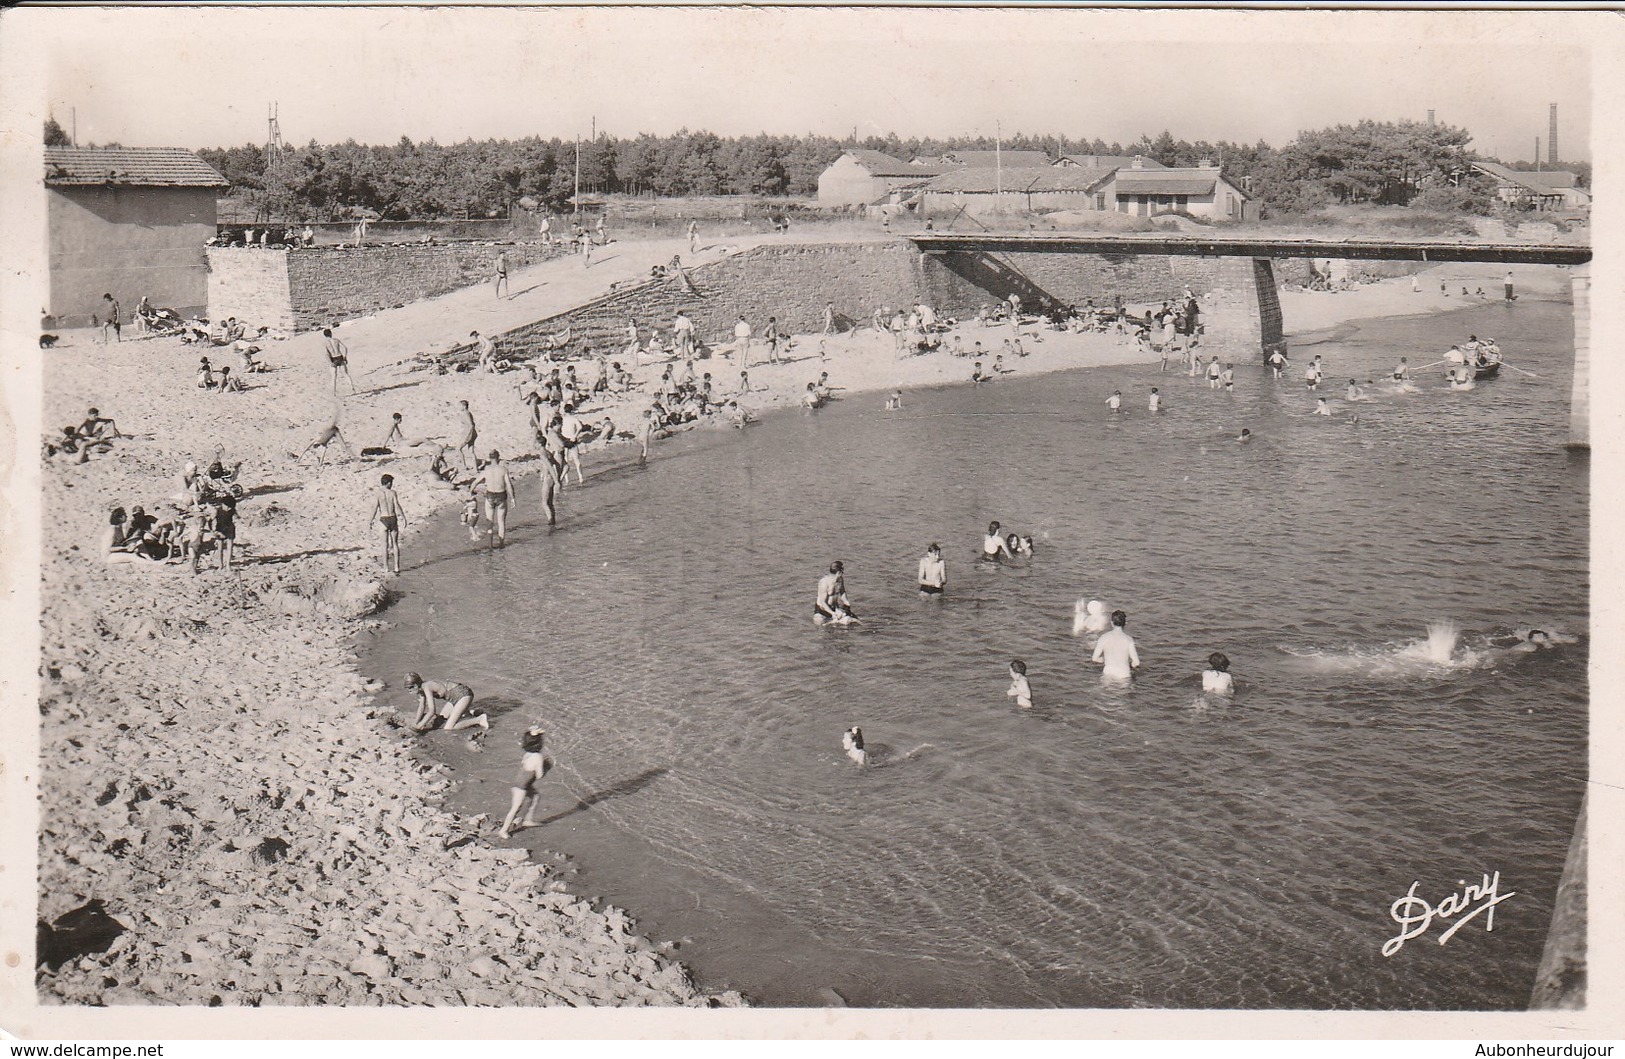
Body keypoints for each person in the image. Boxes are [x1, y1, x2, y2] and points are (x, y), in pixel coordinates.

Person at [499, 727, 553, 839]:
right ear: (539, 744)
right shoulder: (538, 757)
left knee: (535, 797)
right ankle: (503, 830)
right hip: (522, 787)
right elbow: (539, 775)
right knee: (516, 808)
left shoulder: (528, 753)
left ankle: (528, 820)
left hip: (520, 782)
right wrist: (547, 766)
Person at [405, 673, 488, 733]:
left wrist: (421, 725)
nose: (409, 691)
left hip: (463, 695)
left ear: (415, 685)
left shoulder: (426, 686)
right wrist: (417, 722)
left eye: (409, 689)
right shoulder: (421, 690)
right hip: (454, 698)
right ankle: (469, 713)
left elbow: (431, 710)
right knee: (442, 717)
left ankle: (479, 719)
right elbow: (422, 707)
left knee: (448, 728)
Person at [469, 449, 515, 546]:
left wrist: (471, 494)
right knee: (501, 522)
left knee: (489, 521)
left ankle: (490, 545)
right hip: (501, 495)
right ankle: (501, 544)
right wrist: (513, 498)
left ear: (490, 459)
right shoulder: (503, 470)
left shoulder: (487, 470)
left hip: (490, 495)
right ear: (498, 458)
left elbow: (475, 482)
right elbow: (509, 485)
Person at [1091, 610, 1141, 682]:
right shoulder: (1128, 640)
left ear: (1111, 623)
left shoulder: (1104, 637)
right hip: (1123, 674)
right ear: (1125, 624)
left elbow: (1094, 658)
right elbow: (1136, 662)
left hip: (1108, 672)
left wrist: (1103, 659)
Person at [370, 474, 405, 574]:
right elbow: (397, 506)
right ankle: (397, 567)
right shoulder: (393, 493)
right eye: (391, 483)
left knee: (384, 545)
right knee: (395, 544)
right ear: (389, 483)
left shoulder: (378, 494)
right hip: (393, 518)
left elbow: (375, 508)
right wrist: (403, 517)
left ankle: (385, 567)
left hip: (383, 519)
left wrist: (370, 521)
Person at [323, 329, 356, 395]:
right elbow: (345, 348)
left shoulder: (325, 343)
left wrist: (330, 362)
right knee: (345, 374)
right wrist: (345, 357)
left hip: (333, 358)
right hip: (339, 356)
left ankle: (334, 392)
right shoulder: (336, 340)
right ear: (331, 333)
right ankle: (352, 387)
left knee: (334, 377)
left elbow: (326, 354)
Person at [454, 400, 478, 471]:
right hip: (472, 433)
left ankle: (464, 466)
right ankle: (476, 468)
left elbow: (471, 425)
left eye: (460, 405)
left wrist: (467, 435)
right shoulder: (467, 413)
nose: (458, 407)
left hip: (468, 433)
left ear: (464, 406)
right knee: (471, 451)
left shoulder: (465, 414)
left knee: (458, 449)